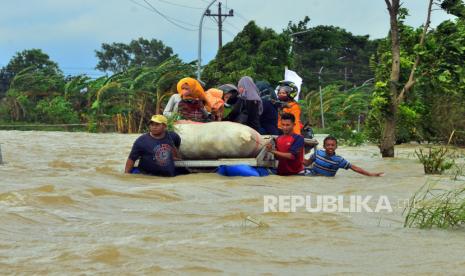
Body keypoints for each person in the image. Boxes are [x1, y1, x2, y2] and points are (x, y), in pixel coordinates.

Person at [303, 136, 384, 177]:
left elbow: (354, 168)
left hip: (328, 181)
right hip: (312, 176)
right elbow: (307, 163)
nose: (330, 147)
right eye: (328, 145)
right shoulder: (317, 153)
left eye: (332, 145)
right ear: (324, 146)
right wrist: (295, 156)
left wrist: (370, 174)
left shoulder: (339, 160)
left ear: (336, 147)